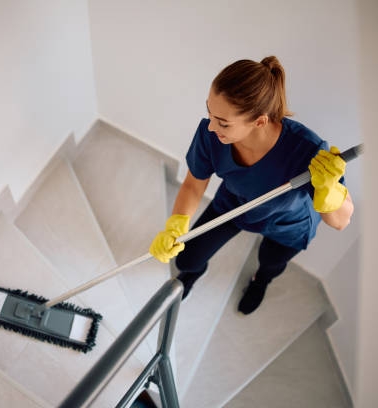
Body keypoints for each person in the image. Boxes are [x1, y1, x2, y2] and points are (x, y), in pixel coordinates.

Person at [149, 56, 354, 315]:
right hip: (234, 205)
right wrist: (176, 224)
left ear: (259, 121)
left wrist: (329, 191)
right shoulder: (211, 134)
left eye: (223, 123)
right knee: (187, 258)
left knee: (270, 262)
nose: (211, 126)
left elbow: (340, 221)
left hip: (287, 224)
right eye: (210, 113)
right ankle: (193, 273)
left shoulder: (307, 151)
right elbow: (193, 185)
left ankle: (260, 281)